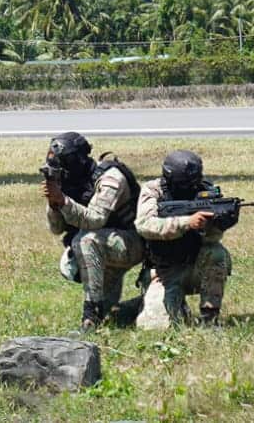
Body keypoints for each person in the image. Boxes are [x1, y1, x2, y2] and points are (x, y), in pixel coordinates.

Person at [40, 131, 143, 329]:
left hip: (134, 243)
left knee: (85, 241)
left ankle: (90, 315)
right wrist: (54, 203)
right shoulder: (67, 182)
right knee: (110, 317)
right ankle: (130, 307)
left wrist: (63, 200)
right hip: (105, 243)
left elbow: (95, 219)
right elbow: (56, 229)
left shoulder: (111, 178)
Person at [133, 150, 232, 329]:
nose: (190, 187)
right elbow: (144, 225)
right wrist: (186, 222)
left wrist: (218, 225)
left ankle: (210, 318)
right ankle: (136, 307)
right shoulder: (153, 190)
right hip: (163, 273)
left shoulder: (206, 191)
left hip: (194, 268)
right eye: (184, 183)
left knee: (216, 253)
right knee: (153, 327)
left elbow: (212, 239)